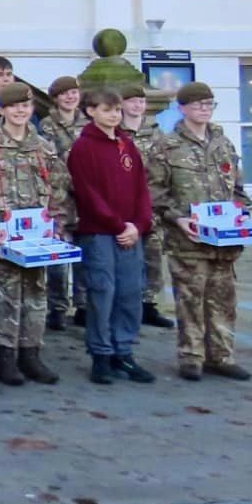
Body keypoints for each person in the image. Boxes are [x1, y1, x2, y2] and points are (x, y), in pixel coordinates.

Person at [0, 83, 74, 388]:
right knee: (4, 297)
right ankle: (5, 356)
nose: (20, 111)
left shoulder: (44, 147)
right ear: (2, 109)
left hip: (37, 238)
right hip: (2, 238)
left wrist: (58, 224)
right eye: (14, 106)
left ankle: (31, 353)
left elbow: (60, 189)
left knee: (36, 296)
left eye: (25, 106)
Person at [148, 82, 252, 382]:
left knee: (223, 301)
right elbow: (154, 192)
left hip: (224, 241)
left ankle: (221, 356)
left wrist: (242, 213)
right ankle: (191, 357)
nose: (205, 109)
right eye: (198, 105)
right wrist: (178, 218)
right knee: (190, 301)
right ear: (182, 108)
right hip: (189, 240)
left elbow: (239, 188)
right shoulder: (167, 147)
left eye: (209, 104)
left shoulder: (223, 144)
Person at [68, 87, 156, 385]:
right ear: (91, 111)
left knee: (130, 292)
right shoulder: (83, 147)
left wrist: (138, 224)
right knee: (102, 293)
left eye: (117, 110)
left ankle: (124, 351)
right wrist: (118, 225)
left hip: (130, 232)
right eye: (107, 110)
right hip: (100, 233)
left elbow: (142, 187)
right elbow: (88, 193)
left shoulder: (126, 144)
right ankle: (101, 354)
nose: (114, 115)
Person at [119, 81, 174, 330]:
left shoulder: (157, 133)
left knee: (152, 258)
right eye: (133, 101)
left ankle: (149, 305)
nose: (138, 105)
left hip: (151, 205)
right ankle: (126, 306)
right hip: (124, 207)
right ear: (121, 105)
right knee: (126, 259)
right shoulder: (116, 132)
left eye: (141, 101)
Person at [39, 76, 87, 331]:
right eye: (64, 94)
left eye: (73, 92)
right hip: (59, 197)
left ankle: (83, 305)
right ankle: (56, 307)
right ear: (56, 98)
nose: (70, 97)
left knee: (85, 255)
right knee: (57, 257)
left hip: (86, 198)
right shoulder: (47, 126)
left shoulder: (89, 123)